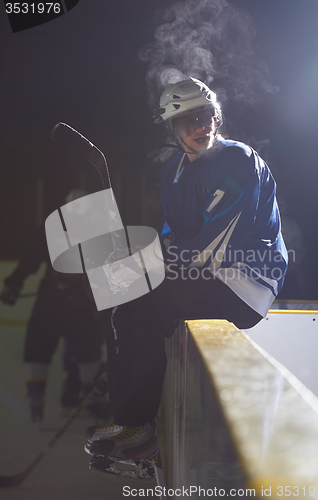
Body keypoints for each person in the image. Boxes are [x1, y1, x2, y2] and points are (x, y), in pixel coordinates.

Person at [84, 78, 288, 476]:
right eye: (186, 121)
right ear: (171, 130)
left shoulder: (237, 161)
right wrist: (133, 262)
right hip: (209, 278)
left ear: (217, 115)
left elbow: (216, 249)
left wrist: (144, 265)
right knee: (121, 297)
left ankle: (136, 428)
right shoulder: (173, 173)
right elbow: (170, 237)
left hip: (244, 282)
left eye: (206, 114)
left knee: (132, 302)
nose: (200, 126)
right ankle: (134, 423)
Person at [0, 190, 110, 422]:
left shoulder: (50, 228)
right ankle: (91, 401)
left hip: (56, 299)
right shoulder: (97, 231)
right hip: (77, 301)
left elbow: (29, 261)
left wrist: (13, 285)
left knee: (45, 350)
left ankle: (37, 400)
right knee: (84, 351)